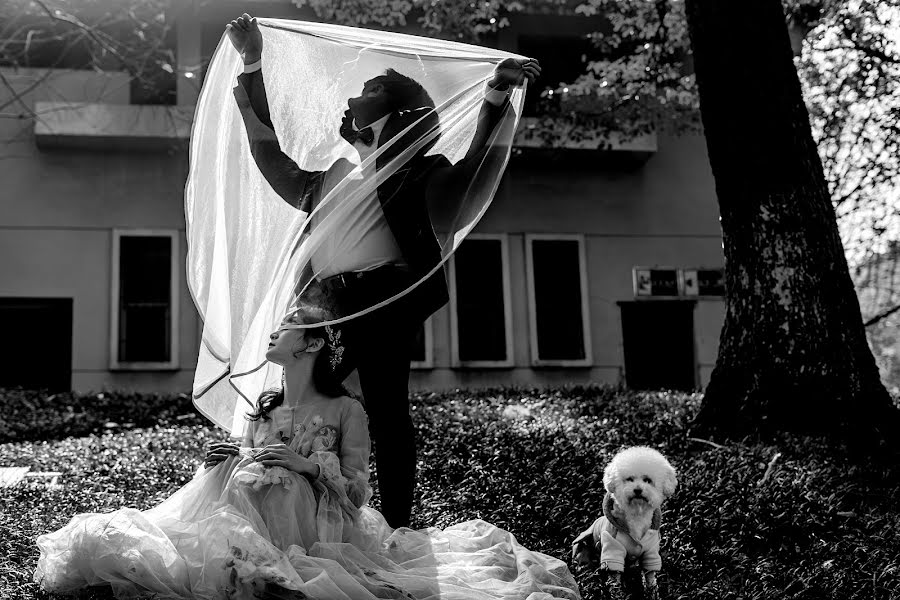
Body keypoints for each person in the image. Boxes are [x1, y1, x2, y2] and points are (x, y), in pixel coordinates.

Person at [225, 13, 540, 529]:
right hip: (324, 305)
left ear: (396, 110)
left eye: (370, 89)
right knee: (289, 400)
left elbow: (469, 175)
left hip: (384, 301)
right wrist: (253, 60)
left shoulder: (419, 170)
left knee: (389, 413)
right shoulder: (330, 176)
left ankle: (394, 525)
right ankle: (279, 509)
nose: (355, 96)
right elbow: (268, 152)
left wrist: (494, 97)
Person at [35, 306, 579, 599]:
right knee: (245, 470)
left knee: (286, 478)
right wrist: (228, 454)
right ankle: (233, 558)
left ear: (313, 344)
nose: (275, 332)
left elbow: (359, 490)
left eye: (287, 327)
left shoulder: (347, 411)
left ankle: (260, 563)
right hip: (250, 512)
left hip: (319, 524)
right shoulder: (266, 406)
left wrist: (307, 464)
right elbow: (249, 459)